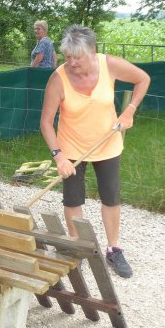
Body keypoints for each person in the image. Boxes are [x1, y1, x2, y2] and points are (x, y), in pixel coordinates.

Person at [40, 25, 150, 278]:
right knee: (73, 199)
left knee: (111, 197)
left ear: (92, 51)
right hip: (72, 149)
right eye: (68, 56)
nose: (72, 62)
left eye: (77, 57)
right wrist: (59, 155)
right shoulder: (58, 78)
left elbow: (143, 78)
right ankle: (77, 250)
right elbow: (46, 122)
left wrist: (130, 110)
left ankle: (113, 249)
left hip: (108, 144)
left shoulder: (109, 65)